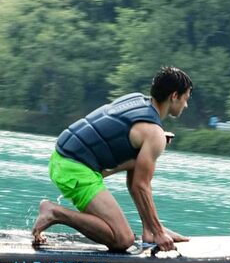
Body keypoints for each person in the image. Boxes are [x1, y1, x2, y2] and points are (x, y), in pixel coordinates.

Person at [32, 66, 192, 252]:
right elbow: (140, 186)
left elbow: (116, 133)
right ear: (174, 96)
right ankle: (54, 212)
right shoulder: (153, 134)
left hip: (61, 158)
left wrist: (155, 230)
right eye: (186, 99)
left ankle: (149, 230)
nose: (186, 105)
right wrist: (160, 233)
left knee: (138, 162)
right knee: (123, 240)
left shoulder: (137, 100)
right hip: (74, 168)